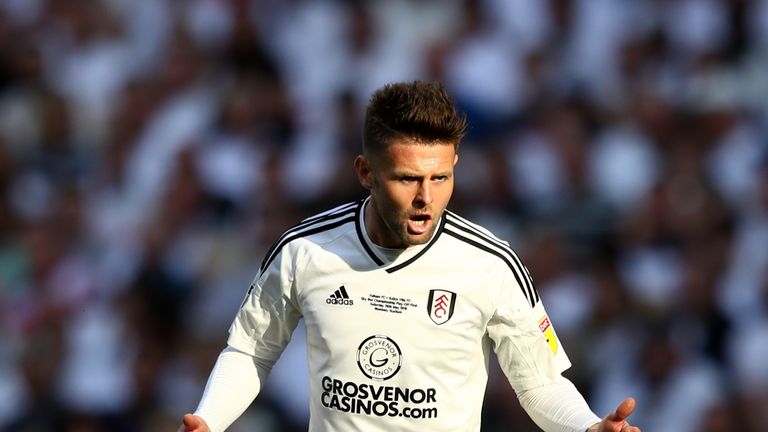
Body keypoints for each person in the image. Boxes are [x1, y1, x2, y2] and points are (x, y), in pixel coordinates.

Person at [178, 81, 640, 432]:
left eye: (440, 178)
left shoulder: (491, 265)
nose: (426, 198)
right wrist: (210, 418)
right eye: (406, 179)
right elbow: (249, 352)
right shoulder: (305, 250)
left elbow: (539, 382)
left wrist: (586, 426)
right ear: (366, 172)